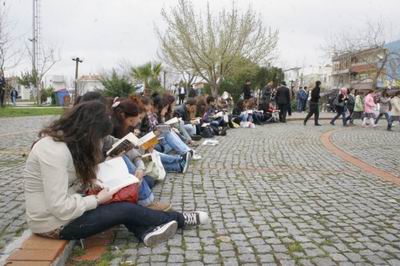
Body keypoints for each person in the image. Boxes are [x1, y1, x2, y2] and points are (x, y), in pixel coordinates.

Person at [24, 101, 208, 245]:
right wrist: (97, 200)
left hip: (67, 212)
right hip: (53, 224)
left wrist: (97, 185)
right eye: (97, 137)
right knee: (124, 209)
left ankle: (145, 232)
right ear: (86, 131)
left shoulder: (69, 144)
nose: (98, 143)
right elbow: (59, 207)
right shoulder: (52, 151)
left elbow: (71, 185)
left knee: (122, 199)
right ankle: (180, 219)